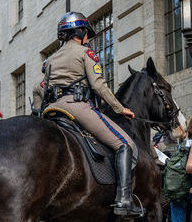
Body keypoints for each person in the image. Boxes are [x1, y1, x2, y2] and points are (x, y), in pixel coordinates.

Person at [42, 12, 142, 217]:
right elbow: (98, 84)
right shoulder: (85, 53)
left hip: (50, 109)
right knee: (124, 144)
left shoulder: (51, 59)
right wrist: (119, 108)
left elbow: (45, 90)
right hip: (75, 106)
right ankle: (124, 199)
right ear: (80, 32)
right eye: (86, 32)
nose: (87, 37)